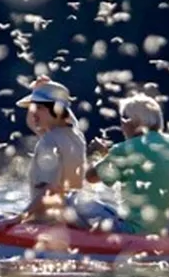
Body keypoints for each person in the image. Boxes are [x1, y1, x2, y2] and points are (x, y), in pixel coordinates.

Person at [10, 76, 132, 233]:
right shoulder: (76, 135)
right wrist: (39, 91)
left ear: (57, 109)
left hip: (47, 221)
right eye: (33, 107)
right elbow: (46, 120)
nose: (33, 112)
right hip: (69, 217)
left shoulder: (49, 142)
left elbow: (51, 190)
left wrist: (18, 218)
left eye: (39, 107)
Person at [85, 92, 169, 236]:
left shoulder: (125, 148)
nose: (121, 125)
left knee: (74, 200)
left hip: (138, 232)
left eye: (123, 120)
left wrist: (95, 155)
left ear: (131, 121)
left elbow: (91, 178)